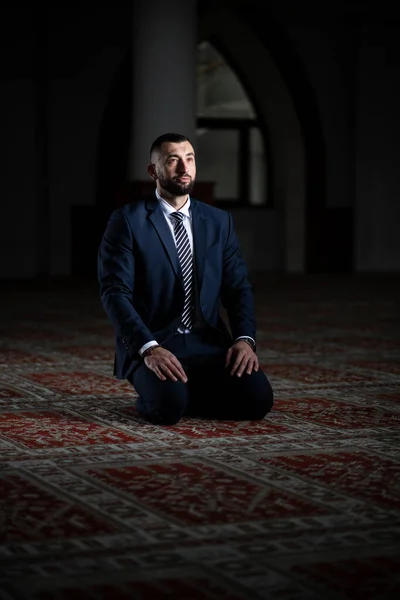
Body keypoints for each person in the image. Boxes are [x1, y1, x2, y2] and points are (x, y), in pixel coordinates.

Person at [98, 132, 273, 425]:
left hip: (208, 341)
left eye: (189, 159)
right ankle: (174, 394)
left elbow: (239, 288)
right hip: (156, 343)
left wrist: (244, 339)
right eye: (173, 161)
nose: (184, 168)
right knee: (168, 409)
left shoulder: (219, 221)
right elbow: (114, 293)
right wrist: (148, 349)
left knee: (258, 402)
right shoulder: (127, 221)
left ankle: (188, 392)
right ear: (153, 171)